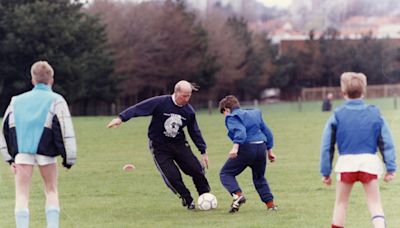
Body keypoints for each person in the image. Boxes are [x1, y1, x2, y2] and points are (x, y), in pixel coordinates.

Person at [107, 80, 211, 210]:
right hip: (159, 147)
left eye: (189, 95)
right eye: (184, 95)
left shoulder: (189, 111)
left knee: (197, 169)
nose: (187, 98)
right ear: (176, 92)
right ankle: (187, 199)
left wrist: (203, 151)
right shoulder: (161, 102)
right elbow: (139, 108)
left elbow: (194, 131)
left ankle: (205, 196)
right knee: (172, 176)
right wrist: (121, 118)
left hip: (179, 144)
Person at [0, 61, 77, 228]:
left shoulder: (16, 100)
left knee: (21, 195)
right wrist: (68, 159)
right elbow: (66, 130)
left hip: (21, 154)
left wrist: (9, 158)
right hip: (47, 153)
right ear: (52, 79)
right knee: (51, 190)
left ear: (32, 79)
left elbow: (4, 129)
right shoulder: (57, 100)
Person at [320, 72, 396, 228]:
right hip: (369, 163)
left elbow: (327, 145)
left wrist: (325, 172)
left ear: (343, 93)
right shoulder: (375, 113)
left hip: (346, 163)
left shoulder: (338, 115)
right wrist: (391, 168)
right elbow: (387, 142)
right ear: (364, 91)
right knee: (375, 204)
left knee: (341, 204)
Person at [218, 95, 277, 213]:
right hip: (261, 147)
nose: (224, 116)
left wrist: (235, 147)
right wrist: (269, 150)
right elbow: (267, 132)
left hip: (247, 148)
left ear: (226, 109)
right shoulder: (254, 113)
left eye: (223, 113)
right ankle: (271, 205)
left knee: (226, 173)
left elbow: (240, 132)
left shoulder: (232, 117)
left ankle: (237, 195)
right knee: (259, 177)